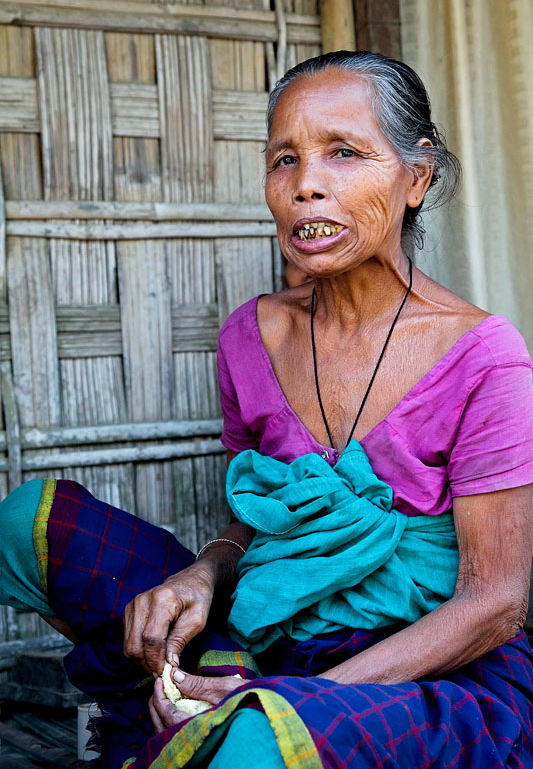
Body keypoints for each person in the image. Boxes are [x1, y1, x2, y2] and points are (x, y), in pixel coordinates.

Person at [0, 51, 532, 769]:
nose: (306, 185)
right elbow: (258, 516)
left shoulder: (483, 356)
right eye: (284, 160)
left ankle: (230, 718)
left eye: (343, 152)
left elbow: (493, 601)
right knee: (30, 523)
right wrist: (204, 573)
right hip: (272, 619)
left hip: (424, 666)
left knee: (256, 739)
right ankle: (199, 697)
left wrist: (291, 701)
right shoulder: (251, 336)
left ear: (416, 176)